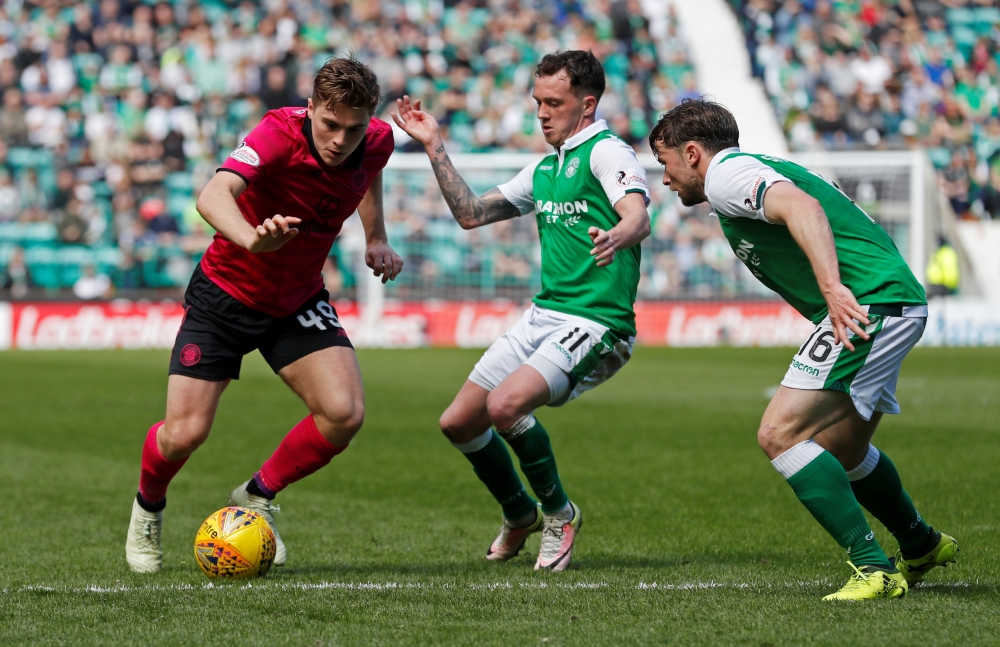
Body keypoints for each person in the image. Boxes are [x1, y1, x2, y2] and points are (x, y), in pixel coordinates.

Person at [649, 98, 957, 600]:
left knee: (779, 433)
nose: (664, 178)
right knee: (844, 450)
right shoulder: (751, 169)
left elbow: (803, 208)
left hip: (868, 303)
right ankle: (920, 544)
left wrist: (833, 289)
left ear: (692, 153)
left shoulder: (725, 175)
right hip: (888, 300)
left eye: (664, 163)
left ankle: (872, 569)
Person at [125, 57, 404, 573]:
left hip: (296, 299)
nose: (341, 140)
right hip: (225, 296)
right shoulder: (277, 133)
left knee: (343, 413)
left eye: (354, 129)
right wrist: (252, 239)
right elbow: (213, 195)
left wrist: (377, 236)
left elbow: (369, 174)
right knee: (184, 434)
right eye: (330, 124)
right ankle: (148, 507)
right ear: (311, 107)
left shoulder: (377, 140)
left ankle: (257, 494)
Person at [392, 50, 651, 571]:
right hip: (544, 315)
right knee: (458, 422)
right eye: (537, 101)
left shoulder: (606, 152)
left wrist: (616, 236)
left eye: (554, 102)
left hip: (597, 321)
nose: (541, 112)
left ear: (587, 104)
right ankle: (519, 512)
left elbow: (638, 216)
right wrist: (433, 144)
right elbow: (470, 215)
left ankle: (559, 514)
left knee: (506, 406)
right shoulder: (544, 169)